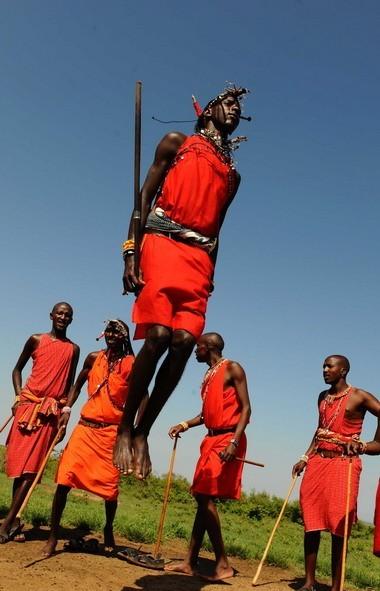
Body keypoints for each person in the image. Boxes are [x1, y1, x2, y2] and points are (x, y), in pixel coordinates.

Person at [114, 85, 250, 480]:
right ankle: (125, 427)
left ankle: (144, 431)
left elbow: (219, 230)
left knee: (185, 341)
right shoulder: (178, 143)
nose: (235, 109)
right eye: (228, 102)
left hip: (198, 260)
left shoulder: (233, 175)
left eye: (238, 107)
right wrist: (129, 251)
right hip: (161, 242)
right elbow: (143, 197)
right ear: (207, 110)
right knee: (156, 336)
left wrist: (212, 275)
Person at [42, 319, 143, 557]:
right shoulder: (92, 358)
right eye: (108, 330)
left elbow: (143, 396)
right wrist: (66, 411)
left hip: (111, 433)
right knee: (64, 479)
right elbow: (76, 386)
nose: (111, 334)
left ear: (125, 337)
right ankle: (53, 536)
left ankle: (108, 528)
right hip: (84, 429)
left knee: (110, 487)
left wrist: (137, 430)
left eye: (116, 332)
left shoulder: (131, 364)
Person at [165, 332, 251, 581]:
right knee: (203, 499)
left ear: (208, 347)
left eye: (197, 347)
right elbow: (206, 414)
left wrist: (234, 441)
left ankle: (223, 563)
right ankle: (189, 562)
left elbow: (246, 408)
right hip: (211, 439)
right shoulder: (209, 374)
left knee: (204, 496)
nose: (194, 351)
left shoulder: (232, 368)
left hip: (228, 439)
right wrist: (184, 424)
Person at [292, 355, 380, 591]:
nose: (324, 369)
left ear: (343, 371)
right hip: (318, 462)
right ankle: (309, 581)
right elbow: (321, 430)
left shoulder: (359, 396)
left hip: (344, 464)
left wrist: (371, 443)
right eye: (323, 365)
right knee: (311, 521)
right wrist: (304, 457)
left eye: (329, 366)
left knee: (338, 525)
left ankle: (335, 586)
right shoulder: (323, 396)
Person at [0, 302, 79, 544]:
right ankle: (14, 521)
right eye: (60, 313)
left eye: (67, 315)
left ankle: (4, 526)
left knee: (31, 470)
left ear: (71, 320)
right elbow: (17, 369)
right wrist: (17, 395)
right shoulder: (36, 339)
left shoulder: (73, 349)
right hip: (27, 408)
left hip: (49, 413)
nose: (63, 317)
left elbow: (70, 384)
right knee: (19, 467)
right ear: (52, 315)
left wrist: (66, 411)